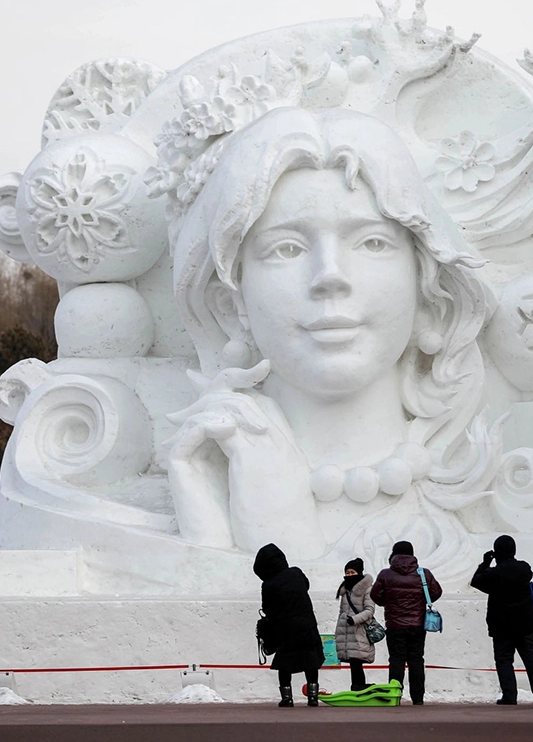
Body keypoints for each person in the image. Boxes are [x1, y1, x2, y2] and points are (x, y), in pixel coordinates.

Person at [166, 107, 490, 559]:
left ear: (429, 292)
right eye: (286, 248)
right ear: (230, 305)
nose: (329, 276)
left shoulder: (491, 495)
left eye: (372, 242)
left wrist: (281, 530)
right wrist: (210, 538)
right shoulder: (196, 475)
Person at [470, 534, 533, 705]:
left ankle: (509, 695)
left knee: (504, 660)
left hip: (501, 625)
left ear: (497, 552)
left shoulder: (493, 574)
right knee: (532, 659)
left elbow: (476, 581)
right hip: (525, 623)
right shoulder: (524, 569)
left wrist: (485, 563)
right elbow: (527, 573)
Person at [252, 542, 326, 707]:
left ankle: (287, 697)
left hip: (284, 629)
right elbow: (306, 586)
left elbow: (267, 608)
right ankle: (312, 697)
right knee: (311, 661)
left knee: (284, 663)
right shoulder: (296, 573)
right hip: (307, 624)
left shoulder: (268, 585)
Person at [370, 540, 441, 705]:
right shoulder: (423, 574)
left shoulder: (385, 574)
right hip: (417, 625)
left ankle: (394, 697)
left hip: (394, 625)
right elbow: (436, 592)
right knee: (416, 660)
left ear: (394, 554)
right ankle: (418, 698)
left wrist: (387, 602)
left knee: (396, 660)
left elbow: (375, 595)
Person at [334, 557, 376, 691]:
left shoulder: (367, 590)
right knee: (353, 661)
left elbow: (369, 610)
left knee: (357, 660)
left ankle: (358, 686)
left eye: (352, 572)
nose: (349, 575)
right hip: (346, 630)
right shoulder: (345, 591)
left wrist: (354, 619)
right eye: (347, 573)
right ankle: (357, 686)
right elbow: (342, 611)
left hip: (359, 630)